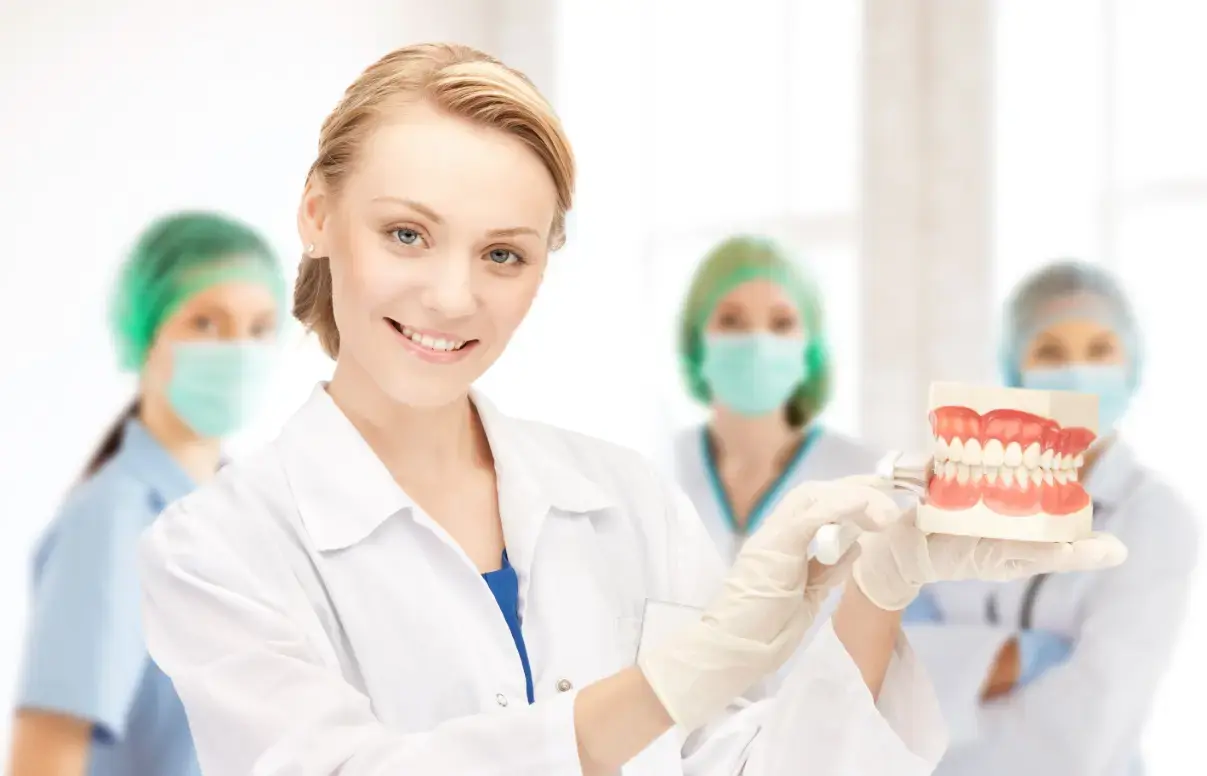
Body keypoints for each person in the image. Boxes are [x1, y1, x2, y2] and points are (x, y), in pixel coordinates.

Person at [135, 44, 1125, 776]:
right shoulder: (216, 549)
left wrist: (876, 589)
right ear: (318, 213)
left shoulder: (621, 493)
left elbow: (747, 762)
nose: (450, 295)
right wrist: (670, 678)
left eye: (502, 253)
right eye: (405, 232)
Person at [7, 211, 286, 776]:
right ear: (145, 334)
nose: (238, 350)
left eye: (259, 328)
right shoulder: (114, 520)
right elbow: (44, 759)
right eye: (205, 323)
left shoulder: (244, 514)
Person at [901, 260, 1199, 776]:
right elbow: (894, 668)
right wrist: (1030, 655)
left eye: (1100, 351)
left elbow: (1092, 726)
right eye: (1051, 352)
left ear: (1132, 367)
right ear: (1016, 369)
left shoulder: (1154, 517)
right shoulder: (956, 496)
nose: (1077, 372)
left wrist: (964, 681)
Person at [668, 235, 882, 563]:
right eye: (731, 321)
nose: (757, 342)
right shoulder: (659, 471)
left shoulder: (863, 481)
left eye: (781, 323)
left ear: (810, 349)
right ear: (695, 342)